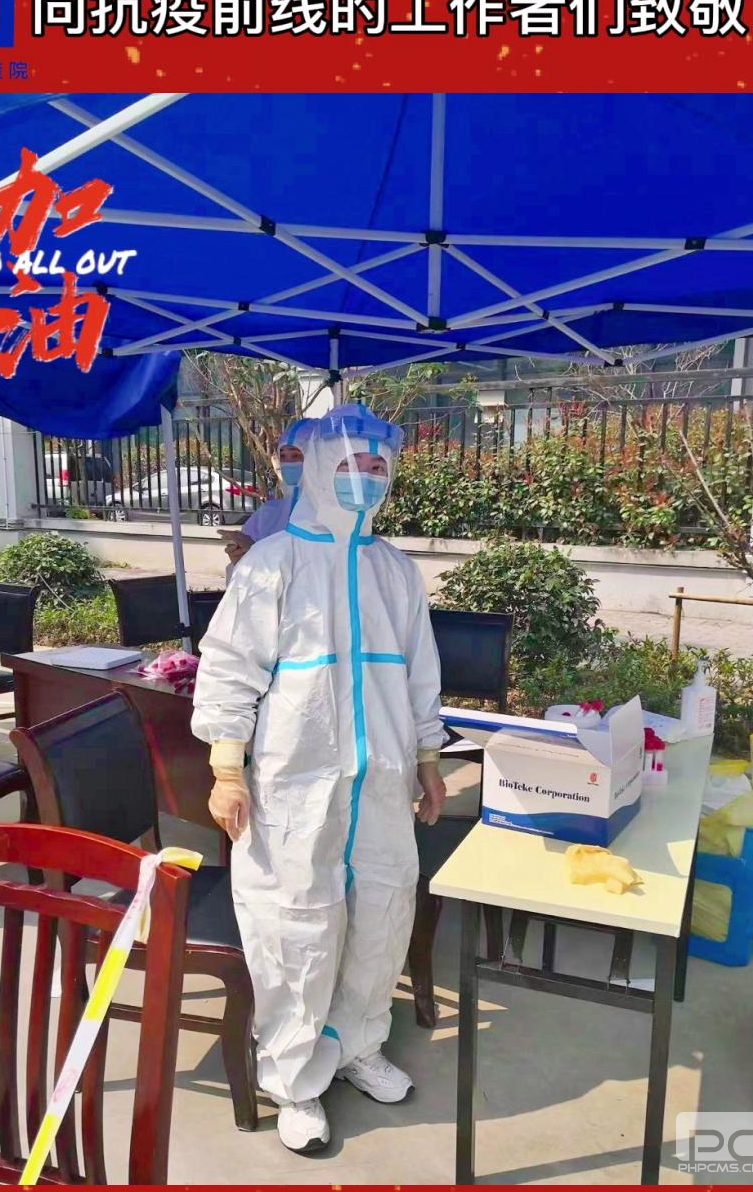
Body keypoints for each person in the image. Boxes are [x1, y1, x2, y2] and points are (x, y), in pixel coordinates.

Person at [192, 405, 445, 1155]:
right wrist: (226, 768)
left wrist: (429, 760)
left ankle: (359, 1042)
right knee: (296, 923)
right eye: (351, 464)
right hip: (294, 784)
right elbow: (229, 669)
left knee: (383, 912)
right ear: (319, 467)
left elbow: (421, 674)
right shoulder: (272, 563)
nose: (366, 478)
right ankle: (295, 1078)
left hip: (384, 780)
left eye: (378, 466)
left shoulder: (394, 569)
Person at [222, 418, 315, 568]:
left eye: (296, 455)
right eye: (283, 456)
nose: (288, 463)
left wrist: (257, 552)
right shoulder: (267, 515)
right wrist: (240, 560)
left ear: (316, 459)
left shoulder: (333, 517)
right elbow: (244, 577)